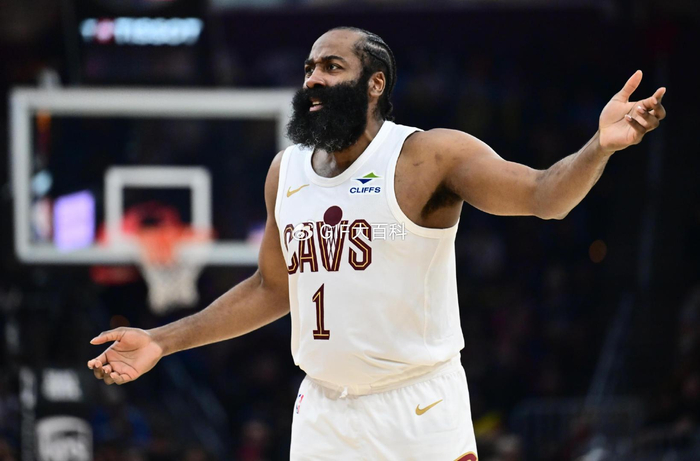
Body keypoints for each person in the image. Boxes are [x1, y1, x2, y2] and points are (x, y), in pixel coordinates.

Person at [88, 27, 667, 459]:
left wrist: (599, 146)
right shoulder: (285, 172)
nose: (313, 79)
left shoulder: (428, 155)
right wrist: (160, 341)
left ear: (375, 83)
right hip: (322, 412)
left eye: (331, 66)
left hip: (418, 407)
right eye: (309, 68)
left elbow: (544, 196)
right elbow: (271, 288)